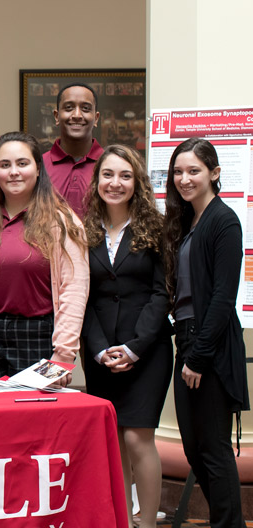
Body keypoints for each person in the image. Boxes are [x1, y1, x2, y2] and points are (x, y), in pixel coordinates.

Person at [82, 145, 172, 528]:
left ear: (137, 182)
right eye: (107, 175)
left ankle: (147, 522)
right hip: (100, 351)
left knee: (137, 439)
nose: (115, 183)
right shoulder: (81, 228)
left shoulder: (157, 226)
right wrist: (101, 349)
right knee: (111, 442)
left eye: (124, 176)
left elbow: (162, 293)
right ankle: (119, 519)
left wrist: (134, 348)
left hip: (146, 350)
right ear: (97, 180)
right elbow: (79, 294)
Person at [162, 138, 248, 528]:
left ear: (214, 173)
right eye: (178, 171)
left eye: (193, 170)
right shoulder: (188, 220)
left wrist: (198, 355)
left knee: (213, 449)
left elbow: (222, 297)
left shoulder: (223, 220)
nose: (184, 178)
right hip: (187, 338)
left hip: (207, 344)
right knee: (196, 450)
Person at [0, 131, 88, 385]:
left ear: (38, 169)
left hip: (38, 334)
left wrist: (63, 356)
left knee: (36, 416)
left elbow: (74, 289)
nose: (13, 172)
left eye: (22, 163)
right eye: (5, 165)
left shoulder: (62, 222)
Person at [43, 83, 104, 217]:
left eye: (86, 109)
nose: (77, 115)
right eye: (69, 108)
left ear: (96, 118)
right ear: (56, 116)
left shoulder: (109, 165)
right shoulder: (38, 165)